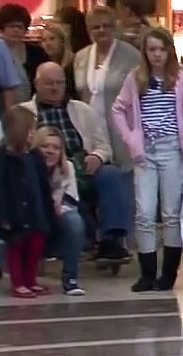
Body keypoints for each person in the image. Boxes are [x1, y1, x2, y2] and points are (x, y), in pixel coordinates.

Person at [110, 27, 183, 293]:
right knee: (145, 212)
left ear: (169, 51)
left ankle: (168, 274)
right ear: (145, 52)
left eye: (161, 49)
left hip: (172, 149)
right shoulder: (135, 79)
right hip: (145, 150)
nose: (157, 55)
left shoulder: (180, 81)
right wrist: (131, 138)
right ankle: (147, 273)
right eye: (151, 49)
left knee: (171, 213)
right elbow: (118, 110)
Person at [20, 63, 129, 261]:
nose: (55, 88)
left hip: (81, 167)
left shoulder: (82, 110)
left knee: (111, 174)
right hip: (47, 172)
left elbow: (104, 146)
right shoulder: (24, 113)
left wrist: (96, 157)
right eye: (49, 83)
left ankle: (111, 240)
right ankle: (75, 240)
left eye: (59, 83)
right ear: (36, 84)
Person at [74, 5, 140, 258]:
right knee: (94, 182)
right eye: (95, 27)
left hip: (121, 127)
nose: (101, 31)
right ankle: (97, 241)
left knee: (123, 184)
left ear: (115, 27)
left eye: (106, 26)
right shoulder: (80, 57)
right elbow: (81, 93)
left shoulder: (131, 56)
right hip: (89, 128)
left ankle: (123, 242)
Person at [0, 105, 54, 298]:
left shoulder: (35, 157)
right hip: (14, 213)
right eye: (31, 129)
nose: (34, 134)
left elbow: (43, 185)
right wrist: (2, 216)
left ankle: (31, 280)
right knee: (16, 248)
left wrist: (47, 210)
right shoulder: (1, 159)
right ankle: (18, 282)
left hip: (35, 211)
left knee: (35, 245)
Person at [34, 125, 87, 295]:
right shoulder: (28, 167)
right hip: (32, 221)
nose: (50, 151)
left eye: (56, 148)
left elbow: (71, 202)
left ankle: (70, 279)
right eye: (45, 146)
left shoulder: (68, 168)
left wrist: (55, 201)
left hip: (56, 220)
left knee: (74, 220)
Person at [0, 3, 50, 104]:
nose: (16, 30)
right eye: (11, 26)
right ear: (2, 28)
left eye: (20, 27)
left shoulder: (37, 53)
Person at [40, 23, 78, 99]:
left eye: (52, 39)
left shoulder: (75, 63)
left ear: (62, 41)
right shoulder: (42, 66)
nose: (48, 44)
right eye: (44, 40)